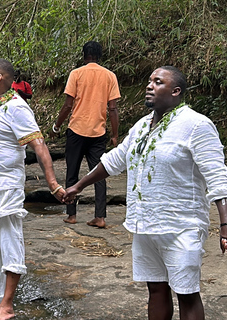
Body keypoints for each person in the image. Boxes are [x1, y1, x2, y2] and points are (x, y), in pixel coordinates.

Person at [63, 66, 227, 320]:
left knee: (186, 292)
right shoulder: (142, 126)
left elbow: (217, 177)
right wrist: (79, 185)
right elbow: (115, 160)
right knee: (156, 289)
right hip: (144, 224)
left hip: (180, 226)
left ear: (175, 91)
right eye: (149, 80)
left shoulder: (196, 125)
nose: (149, 86)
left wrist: (225, 225)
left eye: (158, 82)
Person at [0, 58, 65, 320]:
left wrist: (53, 184)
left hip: (3, 188)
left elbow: (39, 144)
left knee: (9, 242)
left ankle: (7, 306)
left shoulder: (16, 107)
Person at [52, 41, 120, 228]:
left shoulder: (76, 74)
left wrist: (56, 126)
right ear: (100, 56)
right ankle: (100, 217)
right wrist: (115, 134)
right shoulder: (110, 76)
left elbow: (67, 105)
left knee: (72, 172)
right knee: (99, 173)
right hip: (98, 132)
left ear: (84, 55)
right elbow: (113, 109)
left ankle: (71, 214)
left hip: (76, 130)